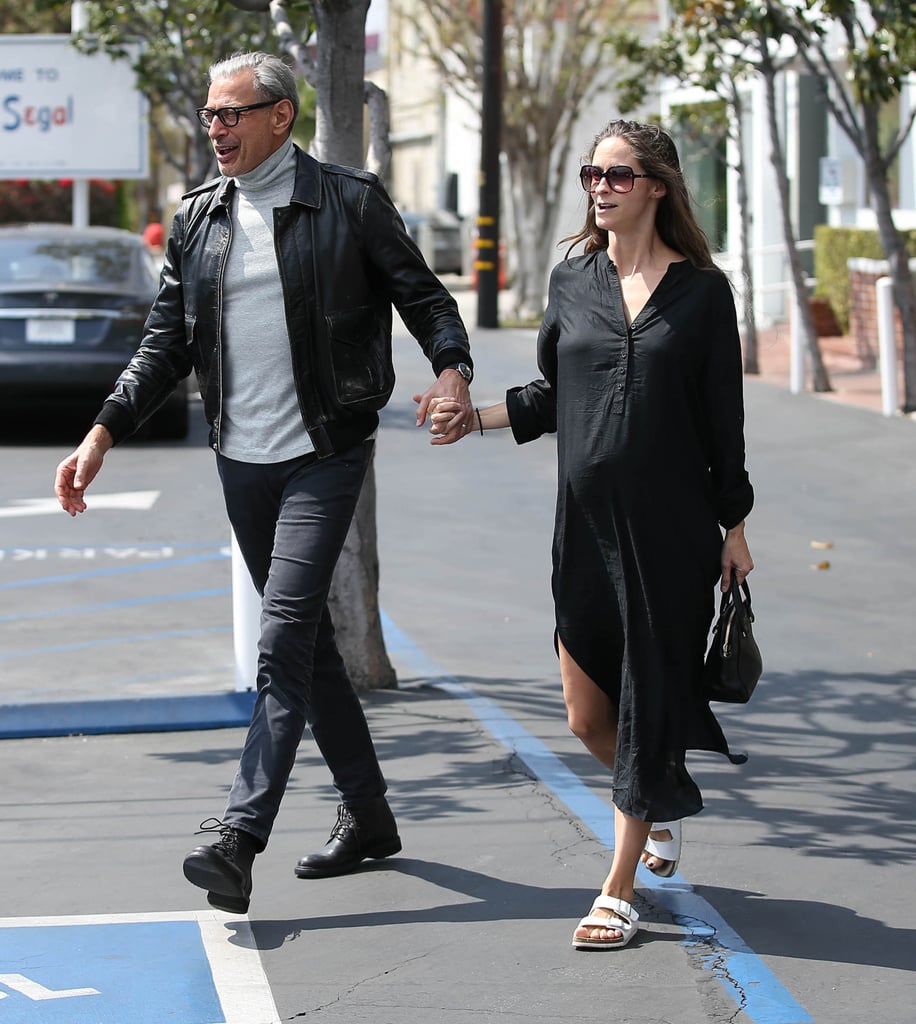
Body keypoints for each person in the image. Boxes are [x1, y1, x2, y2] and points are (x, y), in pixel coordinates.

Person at [54, 51, 475, 915]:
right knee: (309, 646)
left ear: (280, 115)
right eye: (210, 115)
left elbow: (426, 299)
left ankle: (239, 835)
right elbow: (164, 340)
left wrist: (455, 371)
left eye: (231, 113)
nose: (216, 128)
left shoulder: (349, 202)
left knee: (282, 636)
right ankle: (370, 816)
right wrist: (102, 433)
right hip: (240, 460)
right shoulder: (199, 218)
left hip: (325, 450)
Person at [428, 119, 754, 950]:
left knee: (646, 699)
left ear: (656, 187)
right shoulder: (575, 278)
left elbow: (724, 423)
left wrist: (735, 524)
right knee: (585, 714)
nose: (600, 188)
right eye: (591, 175)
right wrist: (476, 418)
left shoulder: (704, 295)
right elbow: (549, 389)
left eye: (616, 175)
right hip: (584, 527)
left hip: (671, 534)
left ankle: (617, 890)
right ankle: (657, 796)